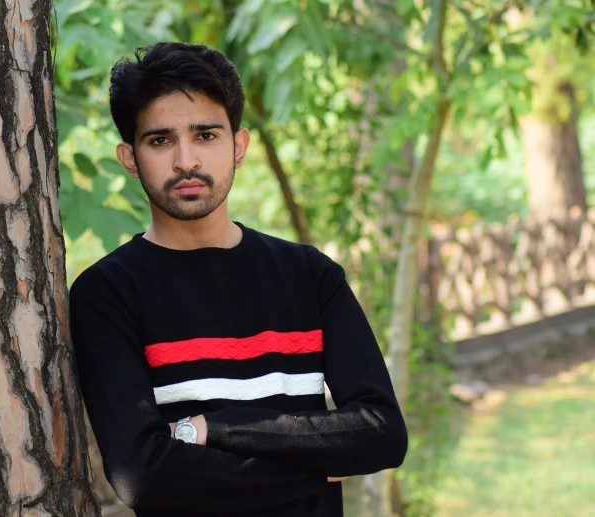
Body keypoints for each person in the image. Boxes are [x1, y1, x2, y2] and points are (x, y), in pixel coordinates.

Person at [68, 42, 408, 517]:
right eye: (161, 140)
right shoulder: (107, 294)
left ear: (239, 146)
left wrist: (210, 430)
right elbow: (144, 477)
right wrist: (313, 465)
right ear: (130, 158)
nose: (186, 160)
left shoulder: (309, 275)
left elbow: (381, 433)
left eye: (206, 135)